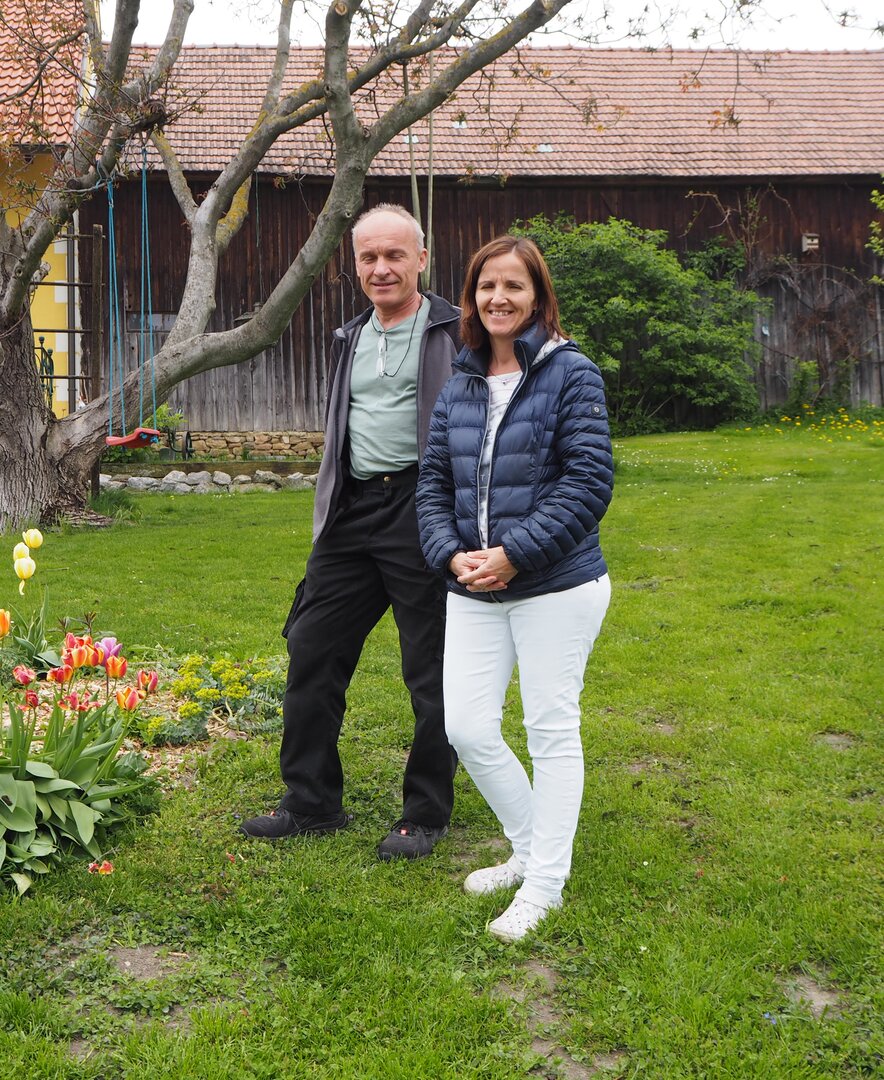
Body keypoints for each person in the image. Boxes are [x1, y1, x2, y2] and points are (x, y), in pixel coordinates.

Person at [241, 204, 459, 860]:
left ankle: (425, 812)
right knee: (311, 648)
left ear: (421, 259)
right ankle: (311, 804)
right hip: (352, 512)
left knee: (431, 669)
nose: (381, 268)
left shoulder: (456, 331)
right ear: (355, 264)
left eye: (395, 255)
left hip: (423, 510)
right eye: (369, 257)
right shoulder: (350, 335)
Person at [416, 235, 614, 940]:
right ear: (469, 298)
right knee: (466, 725)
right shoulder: (462, 380)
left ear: (538, 295)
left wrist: (513, 554)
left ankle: (545, 884)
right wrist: (452, 557)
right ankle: (528, 849)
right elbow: (433, 485)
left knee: (550, 730)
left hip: (556, 584)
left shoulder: (572, 373)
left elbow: (588, 482)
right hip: (472, 586)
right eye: (485, 287)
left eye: (514, 286)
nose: (498, 299)